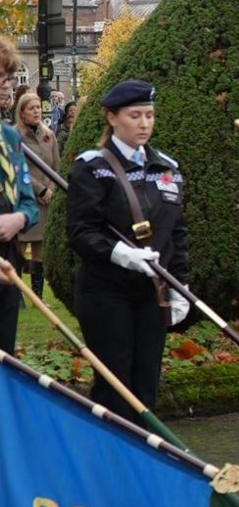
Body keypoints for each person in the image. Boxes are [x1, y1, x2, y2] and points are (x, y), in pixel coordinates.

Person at [66, 79, 187, 420]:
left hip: (151, 292)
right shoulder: (92, 167)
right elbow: (80, 231)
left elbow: (176, 232)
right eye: (135, 115)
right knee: (114, 388)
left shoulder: (167, 167)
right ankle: (109, 462)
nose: (144, 124)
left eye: (149, 115)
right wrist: (122, 253)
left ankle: (142, 461)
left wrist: (181, 286)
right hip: (107, 292)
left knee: (146, 385)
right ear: (112, 117)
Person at [0, 39, 38, 352]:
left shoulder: (9, 136)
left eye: (10, 78)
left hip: (8, 261)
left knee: (5, 360)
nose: (8, 86)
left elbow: (27, 197)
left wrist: (21, 217)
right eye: (1, 79)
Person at [15, 92, 57, 299]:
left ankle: (37, 296)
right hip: (24, 199)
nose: (37, 111)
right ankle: (17, 294)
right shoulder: (14, 136)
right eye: (32, 108)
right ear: (21, 113)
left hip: (46, 199)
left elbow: (56, 166)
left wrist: (50, 188)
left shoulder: (49, 135)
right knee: (20, 247)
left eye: (38, 107)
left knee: (40, 247)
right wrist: (39, 189)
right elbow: (18, 169)